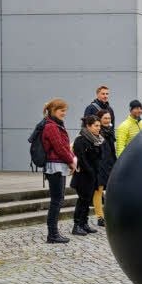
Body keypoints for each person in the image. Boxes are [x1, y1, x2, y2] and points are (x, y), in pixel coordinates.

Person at [41, 99, 77, 244]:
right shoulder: (51, 126)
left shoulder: (56, 125)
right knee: (57, 200)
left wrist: (71, 159)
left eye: (65, 110)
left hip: (58, 165)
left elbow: (64, 147)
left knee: (58, 200)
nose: (64, 113)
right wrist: (71, 161)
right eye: (62, 110)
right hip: (54, 166)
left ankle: (54, 233)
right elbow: (60, 148)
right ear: (53, 110)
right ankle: (52, 235)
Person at [71, 115, 104, 236]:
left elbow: (99, 158)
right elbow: (82, 159)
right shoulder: (81, 140)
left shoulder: (97, 139)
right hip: (83, 176)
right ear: (88, 126)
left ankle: (84, 223)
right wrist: (90, 172)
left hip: (92, 175)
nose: (98, 128)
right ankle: (76, 225)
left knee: (87, 201)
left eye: (99, 126)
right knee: (82, 200)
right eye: (96, 126)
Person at [94, 110, 117, 228]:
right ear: (100, 119)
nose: (108, 121)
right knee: (98, 191)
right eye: (105, 118)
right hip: (100, 165)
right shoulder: (98, 132)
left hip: (110, 164)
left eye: (109, 118)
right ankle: (100, 217)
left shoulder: (110, 131)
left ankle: (109, 214)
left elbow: (112, 150)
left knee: (110, 190)